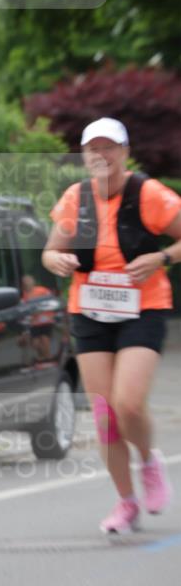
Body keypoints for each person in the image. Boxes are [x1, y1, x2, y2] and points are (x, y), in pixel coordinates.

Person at [42, 117, 181, 534]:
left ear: (124, 152)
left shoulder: (149, 194)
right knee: (104, 414)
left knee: (129, 402)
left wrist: (161, 258)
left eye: (108, 147)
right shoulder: (76, 197)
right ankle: (126, 501)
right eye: (92, 149)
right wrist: (58, 261)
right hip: (90, 310)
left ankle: (149, 462)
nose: (100, 155)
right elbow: (50, 252)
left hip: (143, 307)